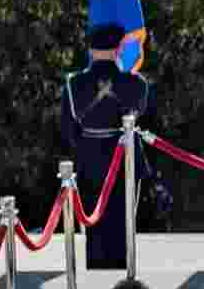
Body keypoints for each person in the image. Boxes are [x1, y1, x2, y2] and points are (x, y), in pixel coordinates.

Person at [62, 23, 151, 269]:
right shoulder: (136, 83)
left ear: (90, 49)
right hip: (125, 158)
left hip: (89, 157)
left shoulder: (74, 84)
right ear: (119, 48)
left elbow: (69, 130)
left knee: (93, 222)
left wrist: (88, 145)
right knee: (122, 222)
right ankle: (123, 272)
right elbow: (140, 111)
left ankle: (96, 272)